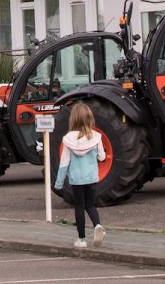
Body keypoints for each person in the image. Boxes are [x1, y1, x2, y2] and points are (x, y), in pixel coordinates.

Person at [54, 102, 107, 248]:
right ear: (89, 119)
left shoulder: (68, 139)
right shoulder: (96, 137)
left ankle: (82, 239)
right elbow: (102, 157)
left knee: (79, 206)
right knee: (90, 204)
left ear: (73, 119)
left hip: (76, 180)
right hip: (91, 178)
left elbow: (64, 163)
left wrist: (58, 184)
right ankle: (97, 226)